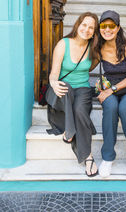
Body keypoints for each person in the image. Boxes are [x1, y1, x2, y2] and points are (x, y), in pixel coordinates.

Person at [47, 12, 99, 177]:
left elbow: (89, 69)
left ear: (94, 31)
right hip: (61, 89)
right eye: (84, 25)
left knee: (80, 111)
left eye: (91, 27)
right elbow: (54, 74)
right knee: (67, 89)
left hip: (83, 89)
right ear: (78, 24)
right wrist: (54, 83)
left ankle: (75, 139)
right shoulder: (64, 44)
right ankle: (86, 154)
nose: (87, 29)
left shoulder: (94, 49)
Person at [96, 10, 126, 179]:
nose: (107, 29)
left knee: (124, 109)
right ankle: (108, 157)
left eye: (111, 26)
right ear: (99, 28)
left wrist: (112, 90)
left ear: (118, 28)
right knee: (110, 107)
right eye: (103, 26)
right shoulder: (99, 47)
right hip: (110, 89)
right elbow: (86, 64)